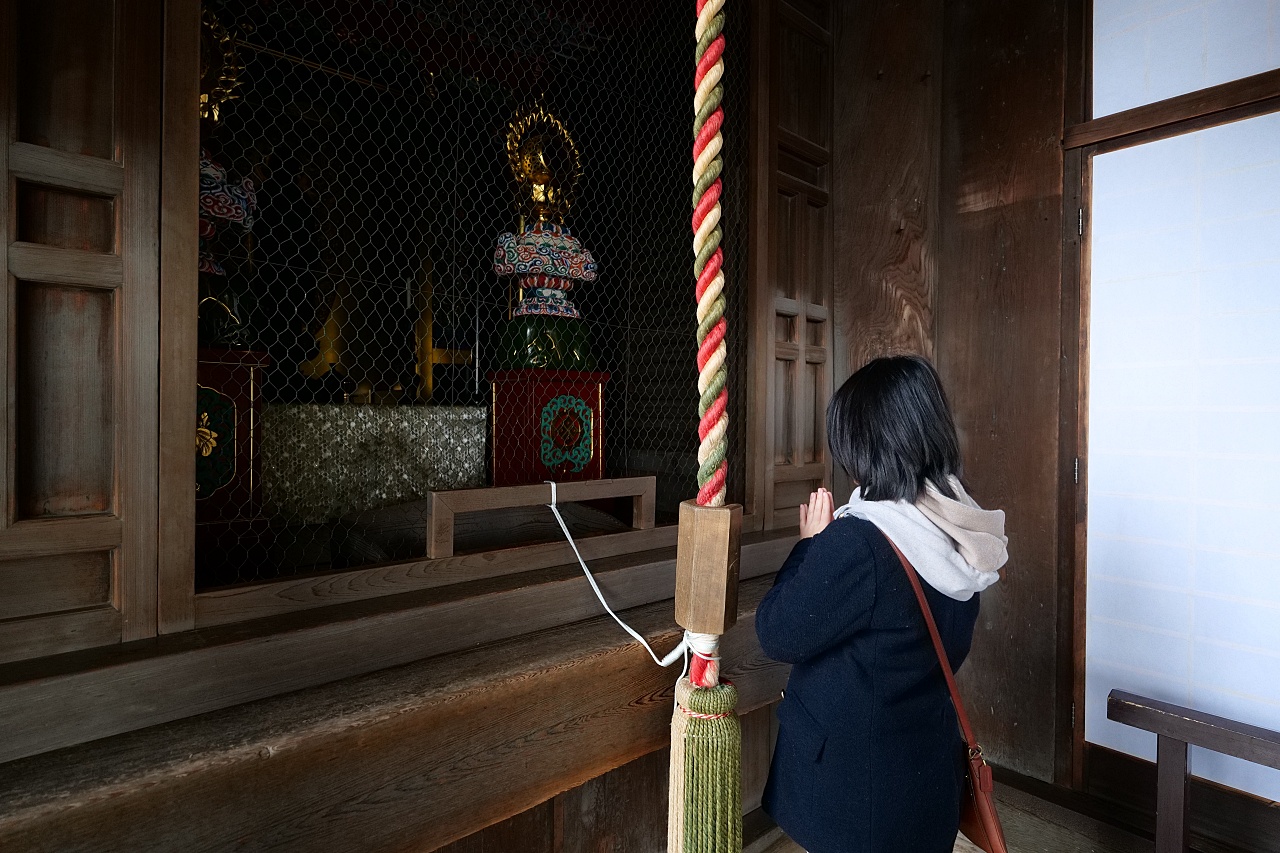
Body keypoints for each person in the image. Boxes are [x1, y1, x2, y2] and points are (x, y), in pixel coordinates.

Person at [756, 354, 1008, 853]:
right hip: (923, 778)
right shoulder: (959, 526)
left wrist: (811, 543)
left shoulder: (864, 542)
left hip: (858, 796)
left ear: (867, 444)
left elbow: (777, 632)